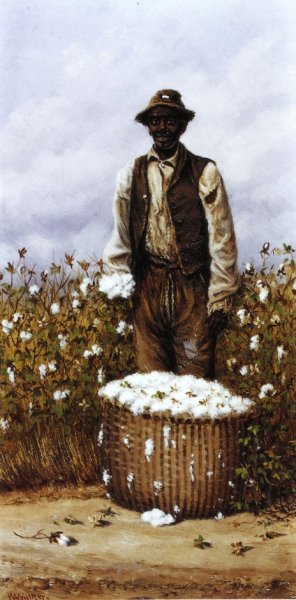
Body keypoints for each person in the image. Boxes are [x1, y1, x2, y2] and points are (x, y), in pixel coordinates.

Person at [103, 89, 239, 378]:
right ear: (148, 126)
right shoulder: (131, 173)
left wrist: (220, 297)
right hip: (148, 290)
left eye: (170, 121)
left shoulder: (205, 171)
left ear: (183, 125)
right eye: (155, 121)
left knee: (194, 374)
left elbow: (221, 237)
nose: (162, 129)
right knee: (151, 381)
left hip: (190, 291)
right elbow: (121, 234)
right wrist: (118, 281)